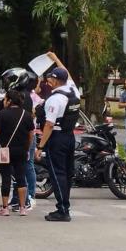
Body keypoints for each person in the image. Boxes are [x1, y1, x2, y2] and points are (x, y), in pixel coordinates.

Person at [35, 67, 81, 222]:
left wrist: (40, 146)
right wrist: (55, 59)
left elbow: (49, 124)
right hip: (69, 137)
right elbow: (67, 74)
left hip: (57, 137)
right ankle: (65, 206)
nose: (48, 82)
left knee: (57, 174)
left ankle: (62, 209)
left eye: (50, 80)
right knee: (67, 174)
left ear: (55, 80)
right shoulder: (74, 91)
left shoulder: (55, 99)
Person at [1, 67, 38, 213]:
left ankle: (28, 197)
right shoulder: (21, 95)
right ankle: (18, 199)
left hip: (23, 137)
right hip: (23, 137)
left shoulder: (23, 97)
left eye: (9, 80)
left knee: (25, 168)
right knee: (19, 170)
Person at [0, 90, 34, 216]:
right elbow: (31, 134)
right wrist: (26, 147)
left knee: (6, 177)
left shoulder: (2, 114)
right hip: (21, 150)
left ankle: (5, 208)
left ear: (9, 101)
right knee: (21, 178)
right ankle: (22, 208)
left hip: (5, 151)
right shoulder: (26, 115)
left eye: (5, 99)